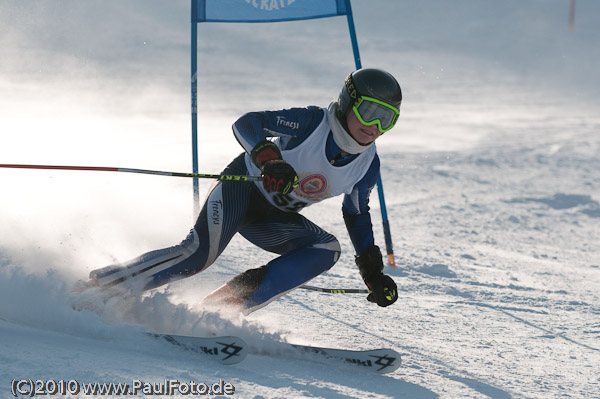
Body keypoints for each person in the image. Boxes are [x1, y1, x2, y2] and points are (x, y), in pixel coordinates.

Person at [87, 68, 401, 315]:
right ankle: (101, 287)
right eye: (368, 111)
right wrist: (269, 161)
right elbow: (247, 123)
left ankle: (217, 311)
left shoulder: (367, 165)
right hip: (241, 190)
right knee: (198, 255)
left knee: (326, 250)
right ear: (348, 102)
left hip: (273, 220)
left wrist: (372, 273)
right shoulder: (312, 122)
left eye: (386, 118)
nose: (374, 125)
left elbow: (356, 214)